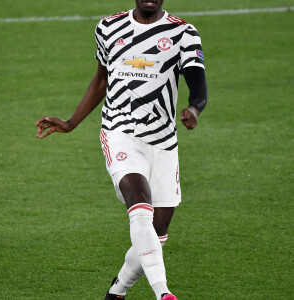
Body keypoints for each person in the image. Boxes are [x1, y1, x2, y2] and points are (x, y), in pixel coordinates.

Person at [35, 0, 207, 299]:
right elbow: (102, 78)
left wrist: (194, 108)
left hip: (163, 140)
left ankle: (116, 292)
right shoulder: (108, 27)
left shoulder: (183, 33)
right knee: (138, 202)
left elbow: (198, 84)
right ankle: (163, 293)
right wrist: (72, 122)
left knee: (158, 230)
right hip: (119, 132)